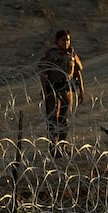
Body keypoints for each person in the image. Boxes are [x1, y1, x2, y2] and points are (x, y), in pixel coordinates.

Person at [39, 29, 84, 157]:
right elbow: (43, 73)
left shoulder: (72, 56)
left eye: (68, 40)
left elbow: (77, 73)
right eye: (63, 40)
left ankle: (63, 146)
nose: (66, 42)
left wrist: (81, 91)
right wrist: (44, 91)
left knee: (64, 120)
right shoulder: (51, 55)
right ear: (57, 41)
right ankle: (54, 148)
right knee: (53, 119)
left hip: (67, 90)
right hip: (53, 90)